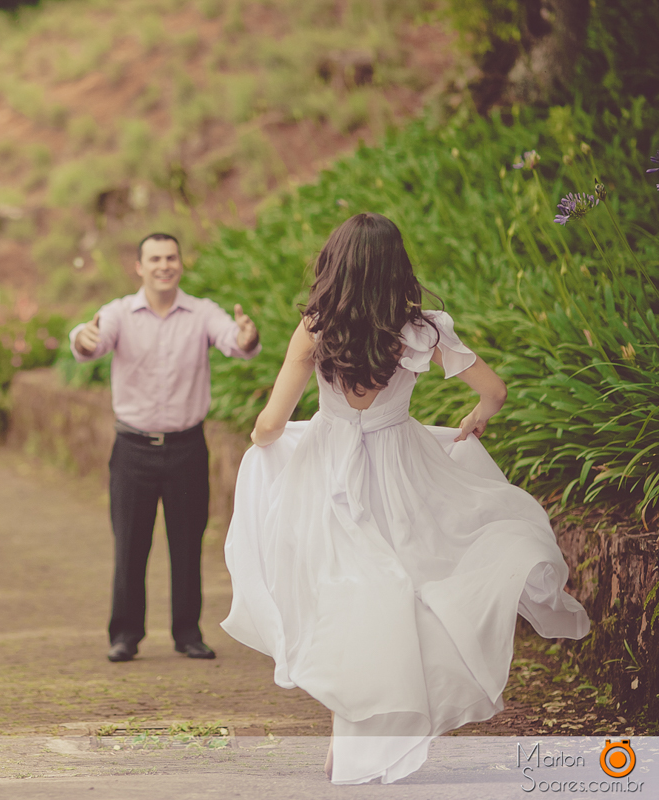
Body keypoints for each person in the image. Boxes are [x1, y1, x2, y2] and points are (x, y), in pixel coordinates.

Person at [220, 212, 589, 784]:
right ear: (398, 267)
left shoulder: (316, 329)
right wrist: (475, 417)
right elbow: (494, 390)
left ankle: (357, 733)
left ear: (333, 266)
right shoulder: (422, 330)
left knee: (347, 594)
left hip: (330, 471)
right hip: (402, 468)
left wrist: (264, 441)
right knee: (410, 591)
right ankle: (385, 728)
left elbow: (271, 423)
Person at [71, 232, 260, 663]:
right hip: (132, 449)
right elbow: (90, 342)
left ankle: (187, 633)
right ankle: (125, 635)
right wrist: (82, 341)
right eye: (154, 258)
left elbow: (236, 343)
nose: (163, 265)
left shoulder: (202, 313)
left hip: (187, 448)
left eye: (170, 257)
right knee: (130, 545)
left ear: (180, 263)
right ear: (139, 266)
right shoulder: (118, 313)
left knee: (187, 543)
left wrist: (247, 337)